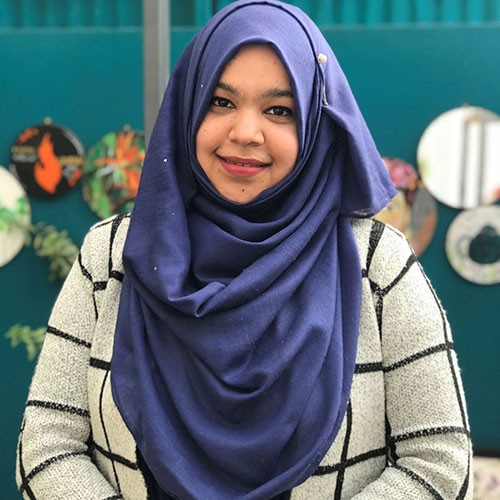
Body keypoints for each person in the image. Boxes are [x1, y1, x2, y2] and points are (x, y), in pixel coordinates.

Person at [16, 1, 472, 498]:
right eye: (221, 101)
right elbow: (47, 446)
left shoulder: (377, 265)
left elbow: (438, 462)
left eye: (279, 110)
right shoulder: (110, 256)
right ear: (188, 107)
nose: (245, 133)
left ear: (316, 124)